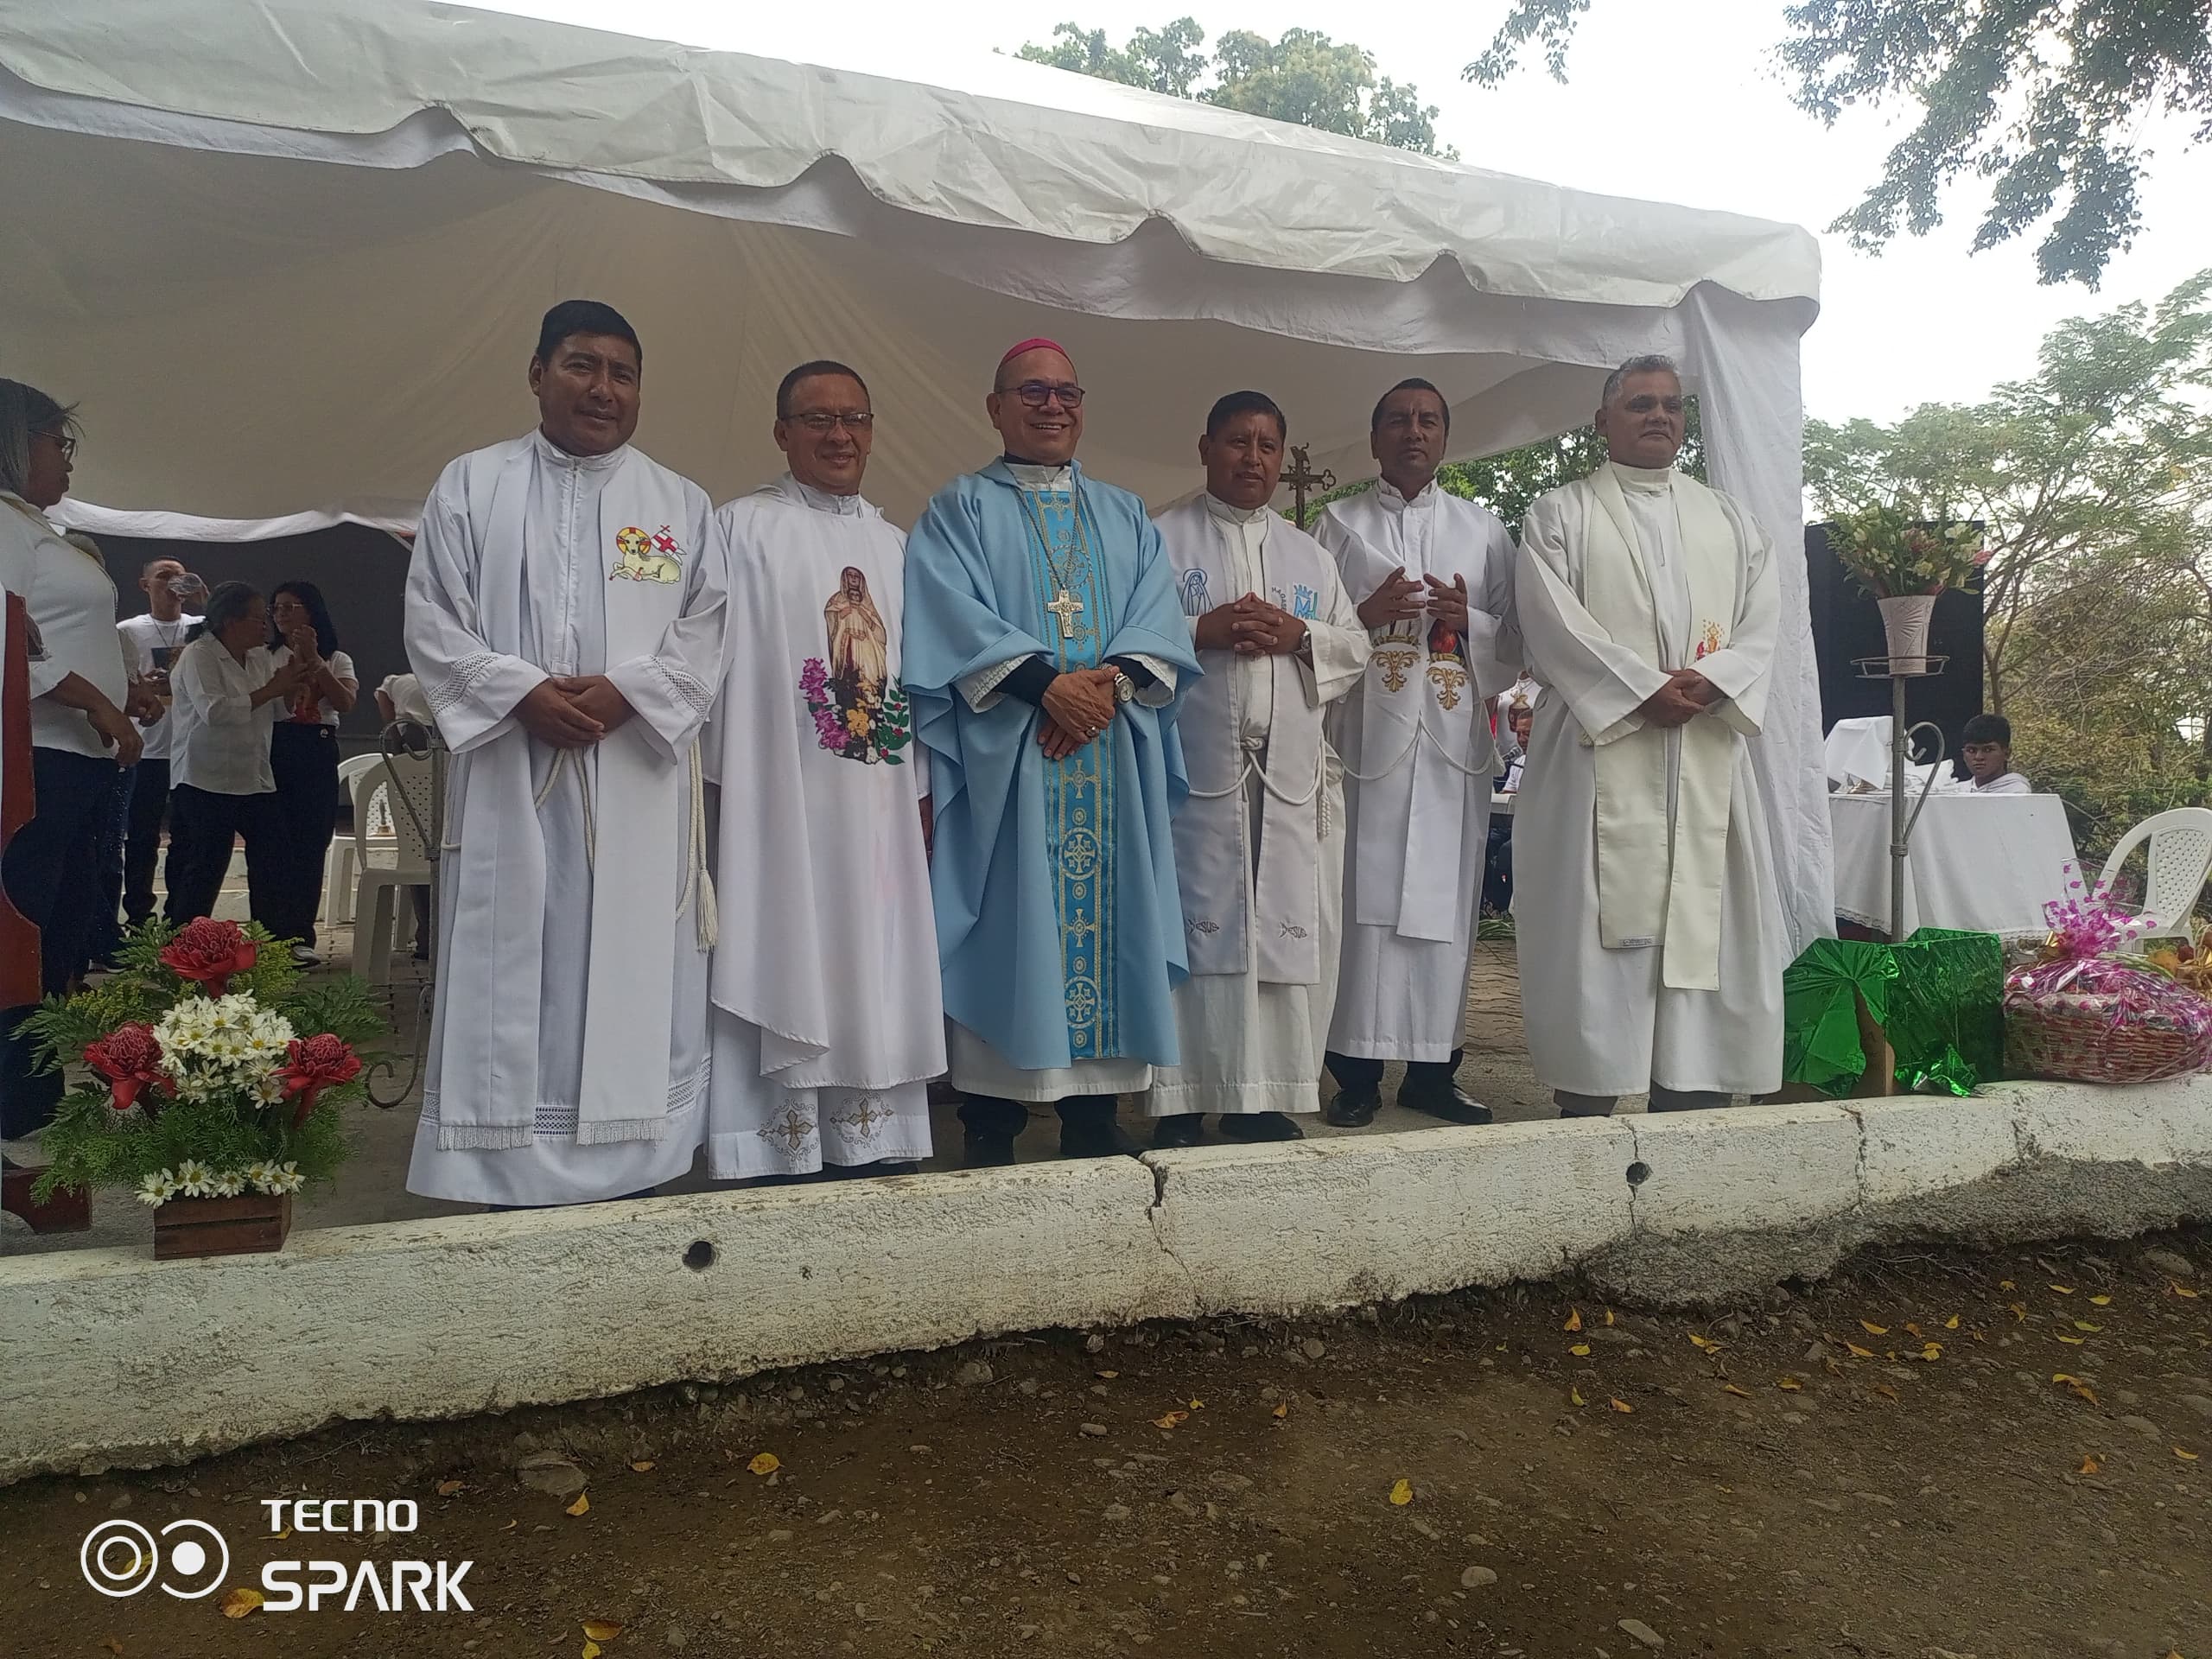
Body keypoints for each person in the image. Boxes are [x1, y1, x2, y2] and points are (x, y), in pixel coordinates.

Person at [402, 299, 729, 1208]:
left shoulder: (678, 503)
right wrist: (518, 692)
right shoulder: (473, 484)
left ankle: (636, 1153)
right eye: (582, 366)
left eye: (623, 374)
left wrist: (631, 693)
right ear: (538, 373)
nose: (603, 389)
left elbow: (707, 626)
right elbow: (433, 614)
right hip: (511, 766)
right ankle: (498, 1159)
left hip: (635, 772)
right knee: (516, 949)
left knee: (630, 957)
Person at [903, 338, 1198, 1166]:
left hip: (1110, 752)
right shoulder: (960, 508)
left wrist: (1104, 689)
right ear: (996, 408)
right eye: (1031, 392)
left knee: (1113, 921)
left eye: (1066, 392)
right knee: (1011, 920)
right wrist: (1044, 688)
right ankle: (991, 1120)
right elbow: (944, 613)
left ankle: (1093, 1119)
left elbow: (1158, 621)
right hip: (1013, 759)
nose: (1052, 406)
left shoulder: (1124, 513)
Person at [1514, 353, 1787, 1117]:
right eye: (1640, 404)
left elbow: (1763, 621)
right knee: (1595, 929)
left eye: (1671, 404)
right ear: (1603, 421)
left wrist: (1714, 680)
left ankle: (1689, 1094)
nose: (1659, 416)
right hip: (1598, 752)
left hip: (1703, 749)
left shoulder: (1729, 520)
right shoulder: (1559, 514)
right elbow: (1550, 619)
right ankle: (1588, 1096)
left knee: (1705, 922)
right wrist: (1641, 689)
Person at [706, 360, 944, 1180]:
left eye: (854, 420)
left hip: (877, 791)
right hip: (779, 793)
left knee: (874, 949)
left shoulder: (896, 546)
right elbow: (706, 660)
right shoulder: (741, 530)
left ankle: (871, 1136)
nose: (840, 436)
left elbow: (917, 673)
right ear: (782, 433)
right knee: (784, 934)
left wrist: (920, 787)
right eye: (818, 420)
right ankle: (774, 1143)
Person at [1147, 391, 1367, 1146]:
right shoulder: (1160, 540)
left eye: (1268, 446)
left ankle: (1262, 1097)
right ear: (1205, 448)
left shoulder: (1311, 555)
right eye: (1238, 442)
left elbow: (1355, 648)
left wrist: (1299, 634)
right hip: (1195, 786)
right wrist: (1199, 630)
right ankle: (1179, 1099)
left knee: (1278, 938)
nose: (1253, 458)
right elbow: (1124, 641)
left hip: (1284, 785)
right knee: (1193, 937)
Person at [1313, 378, 1520, 1129]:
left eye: (1428, 420)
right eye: (1398, 420)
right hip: (1366, 744)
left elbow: (1520, 640)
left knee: (1447, 904)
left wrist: (1474, 621)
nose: (1413, 431)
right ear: (1374, 438)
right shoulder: (1336, 525)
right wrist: (1364, 614)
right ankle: (1355, 1074)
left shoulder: (1484, 531)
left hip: (1450, 750)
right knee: (1360, 903)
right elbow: (1310, 629)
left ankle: (1435, 1072)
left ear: (1445, 438)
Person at [0, 382, 146, 1137]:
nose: (67, 460)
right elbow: (8, 640)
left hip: (73, 759)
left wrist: (122, 691)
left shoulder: (35, 528)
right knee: (26, 920)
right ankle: (18, 1099)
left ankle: (38, 1087)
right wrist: (96, 700)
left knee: (64, 920)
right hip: (35, 760)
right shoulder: (5, 524)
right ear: (13, 443)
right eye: (58, 443)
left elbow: (45, 637)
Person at [162, 582, 312, 930]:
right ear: (231, 621)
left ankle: (272, 941)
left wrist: (291, 687)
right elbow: (215, 711)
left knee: (274, 861)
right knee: (205, 866)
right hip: (205, 778)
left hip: (253, 775)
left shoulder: (259, 657)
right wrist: (273, 688)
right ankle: (183, 943)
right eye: (259, 618)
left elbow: (278, 711)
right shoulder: (199, 654)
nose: (266, 626)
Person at [267, 581, 358, 963]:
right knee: (275, 840)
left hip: (317, 746)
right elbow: (277, 703)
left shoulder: (337, 658)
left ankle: (300, 933)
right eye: (276, 608)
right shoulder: (265, 655)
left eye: (290, 607)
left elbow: (345, 702)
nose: (282, 615)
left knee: (311, 840)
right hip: (276, 744)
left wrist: (317, 662)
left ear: (311, 610)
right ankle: (272, 934)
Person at [116, 557, 207, 930]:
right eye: (164, 576)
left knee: (186, 836)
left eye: (180, 576)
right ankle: (139, 917)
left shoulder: (201, 627)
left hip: (189, 746)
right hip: (147, 745)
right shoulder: (128, 631)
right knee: (142, 835)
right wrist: (141, 686)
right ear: (145, 585)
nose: (173, 583)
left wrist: (203, 599)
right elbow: (116, 680)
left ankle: (178, 918)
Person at [1961, 713, 2030, 794]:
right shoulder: (1956, 791)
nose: (1978, 757)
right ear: (1964, 754)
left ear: (2007, 754)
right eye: (1971, 750)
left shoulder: (2016, 791)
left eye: (1988, 750)